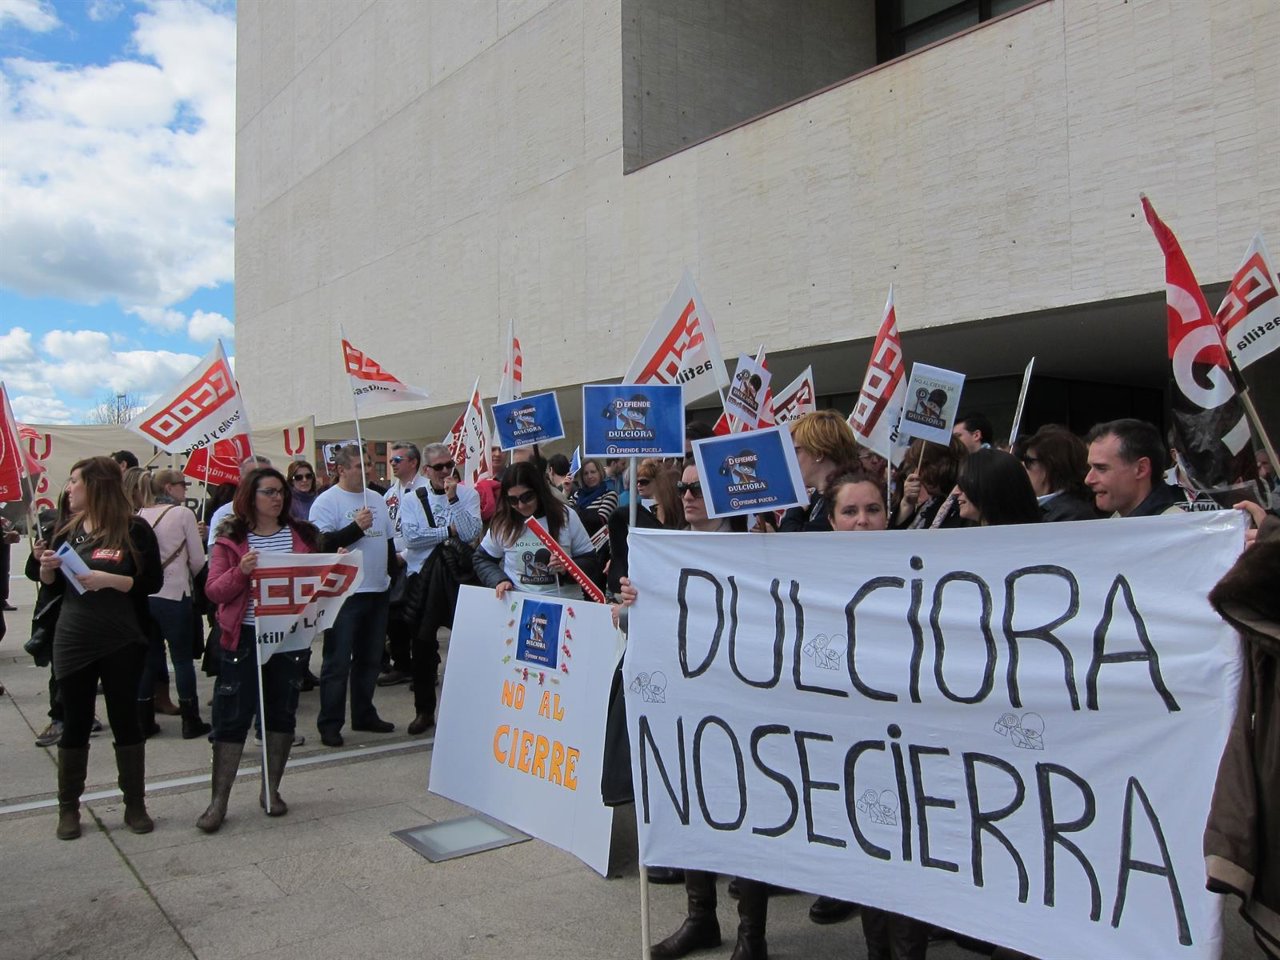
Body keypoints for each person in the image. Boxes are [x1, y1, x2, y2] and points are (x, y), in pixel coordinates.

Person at [649, 460, 764, 960]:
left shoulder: (753, 543)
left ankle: (752, 935)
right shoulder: (667, 547)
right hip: (688, 698)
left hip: (745, 701)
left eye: (700, 487)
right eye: (685, 487)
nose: (689, 495)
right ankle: (701, 919)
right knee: (692, 804)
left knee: (750, 813)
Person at [37, 456, 162, 840]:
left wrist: (111, 580)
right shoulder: (66, 531)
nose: (69, 488)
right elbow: (52, 588)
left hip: (122, 638)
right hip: (74, 638)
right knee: (74, 723)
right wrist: (45, 568)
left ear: (96, 485)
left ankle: (134, 804)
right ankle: (69, 808)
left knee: (125, 720)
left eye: (75, 481)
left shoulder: (135, 530)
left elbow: (152, 582)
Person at [199, 467, 322, 832]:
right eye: (268, 492)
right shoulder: (231, 539)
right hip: (245, 638)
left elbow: (316, 579)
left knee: (281, 713)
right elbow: (215, 591)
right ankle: (218, 800)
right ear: (249, 497)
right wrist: (241, 571)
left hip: (288, 640)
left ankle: (272, 789)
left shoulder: (302, 535)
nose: (277, 497)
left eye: (280, 491)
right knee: (232, 717)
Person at [308, 444, 397, 747]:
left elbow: (387, 541)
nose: (367, 469)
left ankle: (364, 712)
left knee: (370, 659)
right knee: (337, 662)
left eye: (369, 464)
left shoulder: (377, 498)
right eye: (360, 465)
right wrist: (355, 528)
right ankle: (330, 722)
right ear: (341, 469)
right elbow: (321, 544)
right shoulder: (326, 502)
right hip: (344, 595)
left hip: (376, 589)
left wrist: (390, 578)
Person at [399, 443, 484, 735]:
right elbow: (412, 537)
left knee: (466, 645)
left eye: (450, 466)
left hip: (457, 576)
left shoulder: (467, 495)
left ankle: (467, 708)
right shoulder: (412, 499)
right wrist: (447, 531)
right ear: (427, 471)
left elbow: (473, 532)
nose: (446, 472)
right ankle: (424, 710)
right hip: (422, 578)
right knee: (422, 647)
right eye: (439, 467)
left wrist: (453, 501)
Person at [139, 469, 211, 739]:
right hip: (174, 591)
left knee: (148, 658)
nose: (185, 489)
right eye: (183, 485)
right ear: (169, 488)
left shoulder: (139, 514)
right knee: (181, 659)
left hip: (146, 595)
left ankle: (144, 719)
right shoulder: (183, 514)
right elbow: (197, 559)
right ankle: (190, 720)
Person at [473, 461, 600, 600]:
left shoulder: (566, 516)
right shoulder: (504, 522)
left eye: (526, 497)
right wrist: (499, 580)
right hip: (518, 603)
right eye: (513, 500)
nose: (521, 505)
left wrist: (568, 567)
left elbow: (591, 562)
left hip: (565, 602)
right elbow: (482, 559)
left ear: (539, 492)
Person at [380, 442, 428, 688]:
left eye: (397, 460)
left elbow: (429, 530)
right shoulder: (390, 494)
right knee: (394, 615)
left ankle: (423, 666)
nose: (393, 464)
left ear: (413, 462)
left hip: (417, 562)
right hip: (394, 561)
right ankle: (402, 665)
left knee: (417, 616)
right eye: (391, 460)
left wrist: (407, 555)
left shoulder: (426, 490)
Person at [1084, 419, 1184, 517]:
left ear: (1141, 469)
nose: (1088, 480)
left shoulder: (1178, 528)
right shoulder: (1119, 519)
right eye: (1090, 467)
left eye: (1101, 468)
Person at [782, 410, 859, 532]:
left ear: (818, 453)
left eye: (795, 451)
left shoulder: (847, 497)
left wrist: (795, 509)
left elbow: (796, 540)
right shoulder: (817, 496)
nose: (790, 459)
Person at [1015, 425, 1100, 522]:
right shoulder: (1038, 507)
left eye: (1028, 461)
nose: (1022, 466)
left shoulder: (1071, 516)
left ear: (1050, 465)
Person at [892, 438, 967, 530]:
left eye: (922, 466)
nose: (917, 474)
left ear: (941, 464)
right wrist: (907, 503)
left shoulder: (965, 506)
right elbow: (898, 539)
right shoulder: (932, 503)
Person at [955, 449, 1042, 526]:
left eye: (966, 483)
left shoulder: (1035, 541)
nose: (957, 492)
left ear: (993, 487)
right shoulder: (969, 539)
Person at [572, 458, 618, 534]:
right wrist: (566, 491)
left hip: (599, 543)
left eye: (593, 472)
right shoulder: (577, 494)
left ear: (600, 473)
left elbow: (599, 521)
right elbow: (564, 517)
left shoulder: (609, 495)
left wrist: (575, 513)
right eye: (585, 473)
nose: (590, 476)